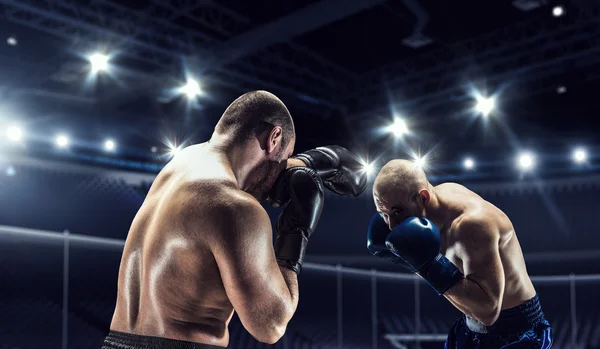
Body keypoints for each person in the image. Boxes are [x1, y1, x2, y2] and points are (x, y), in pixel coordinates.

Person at [102, 90, 367, 349]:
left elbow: (250, 175)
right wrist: (295, 231)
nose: (280, 178)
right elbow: (270, 325)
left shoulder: (179, 165)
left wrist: (301, 162)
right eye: (283, 160)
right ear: (274, 137)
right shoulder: (235, 207)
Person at [366, 159, 553, 348]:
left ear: (423, 198)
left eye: (397, 212)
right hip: (470, 327)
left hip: (518, 334)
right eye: (383, 214)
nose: (391, 225)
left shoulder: (473, 225)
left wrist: (427, 267)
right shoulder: (432, 203)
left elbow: (489, 312)